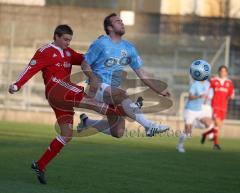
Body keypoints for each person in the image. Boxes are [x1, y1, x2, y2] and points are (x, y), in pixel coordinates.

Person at [8, 24, 141, 184]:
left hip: (63, 97)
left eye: (69, 40)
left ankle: (40, 164)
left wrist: (100, 51)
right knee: (91, 102)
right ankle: (128, 110)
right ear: (55, 36)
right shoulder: (45, 51)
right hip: (57, 90)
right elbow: (31, 68)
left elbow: (85, 59)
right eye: (65, 39)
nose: (67, 43)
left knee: (67, 134)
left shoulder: (68, 53)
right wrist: (17, 84)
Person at [78, 13, 171, 138]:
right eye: (117, 21)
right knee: (122, 95)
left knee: (118, 132)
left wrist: (158, 88)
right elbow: (84, 64)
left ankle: (86, 122)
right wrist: (93, 78)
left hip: (112, 93)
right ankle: (149, 126)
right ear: (109, 28)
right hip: (98, 88)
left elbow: (142, 73)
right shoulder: (101, 43)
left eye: (121, 21)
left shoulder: (129, 48)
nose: (121, 23)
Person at [176, 79, 216, 153]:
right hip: (190, 109)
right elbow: (190, 97)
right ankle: (180, 145)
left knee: (210, 123)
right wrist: (199, 96)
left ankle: (200, 129)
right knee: (188, 132)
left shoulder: (210, 87)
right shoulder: (196, 84)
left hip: (200, 109)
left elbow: (210, 98)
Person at [201, 65, 234, 150]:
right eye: (221, 71)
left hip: (224, 107)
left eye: (224, 71)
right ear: (219, 72)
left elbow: (231, 94)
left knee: (218, 126)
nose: (222, 73)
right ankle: (215, 144)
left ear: (226, 73)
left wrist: (231, 96)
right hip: (215, 106)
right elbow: (207, 85)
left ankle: (205, 134)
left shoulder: (229, 83)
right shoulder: (214, 80)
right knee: (217, 123)